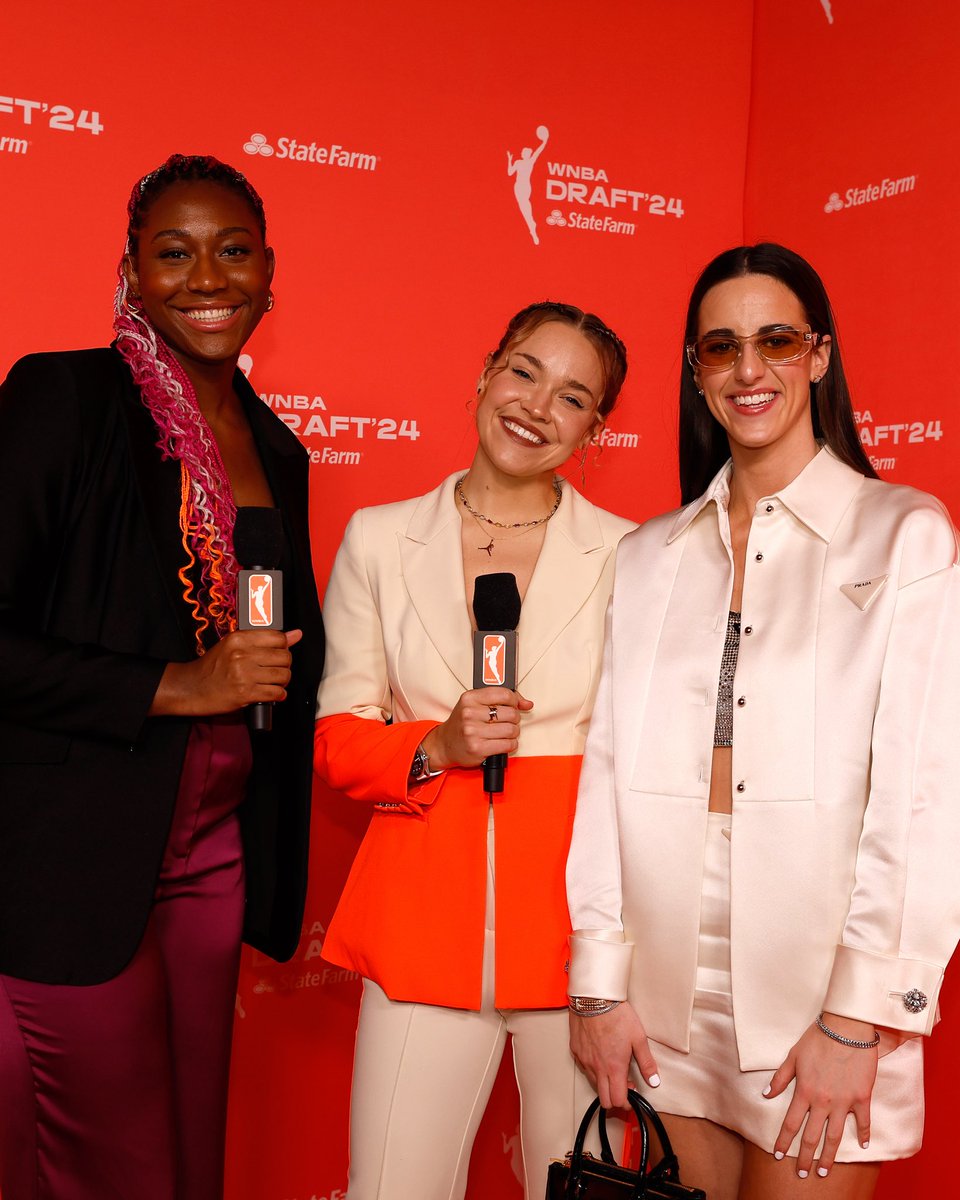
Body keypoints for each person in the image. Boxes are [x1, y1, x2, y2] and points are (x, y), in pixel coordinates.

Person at [565, 243, 960, 1199]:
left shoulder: (904, 534)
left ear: (819, 356)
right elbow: (606, 771)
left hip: (815, 990)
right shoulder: (651, 553)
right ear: (696, 373)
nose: (749, 370)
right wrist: (598, 982)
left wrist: (859, 1017)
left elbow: (922, 799)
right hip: (661, 993)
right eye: (720, 348)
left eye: (776, 341)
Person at [0, 154, 324, 1200]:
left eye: (232, 251)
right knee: (112, 1165)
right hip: (76, 849)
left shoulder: (278, 449)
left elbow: (281, 645)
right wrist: (174, 684)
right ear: (130, 273)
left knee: (189, 1158)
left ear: (269, 271)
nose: (206, 278)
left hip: (213, 856)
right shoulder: (68, 399)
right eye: (172, 253)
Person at [314, 301, 635, 1199]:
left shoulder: (634, 555)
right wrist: (437, 743)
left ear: (595, 428)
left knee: (583, 1191)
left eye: (573, 396)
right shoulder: (379, 539)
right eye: (525, 371)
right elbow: (340, 734)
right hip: (422, 924)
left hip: (582, 944)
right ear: (486, 371)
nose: (536, 405)